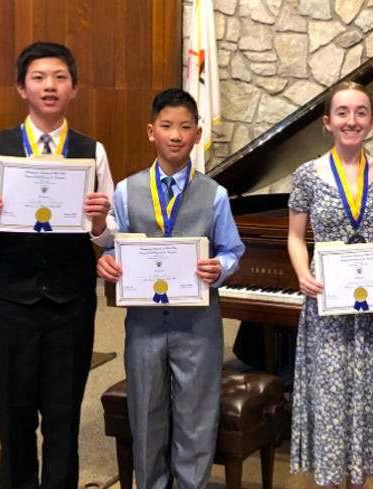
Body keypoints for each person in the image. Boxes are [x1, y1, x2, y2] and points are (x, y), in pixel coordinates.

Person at [0, 42, 116, 489]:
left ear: (75, 88)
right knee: (14, 414)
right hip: (8, 300)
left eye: (60, 77)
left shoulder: (92, 151)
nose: (50, 85)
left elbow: (108, 236)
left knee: (64, 415)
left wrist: (101, 221)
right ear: (21, 88)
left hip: (71, 301)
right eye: (39, 77)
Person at [97, 88, 245, 489]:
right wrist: (105, 261)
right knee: (145, 419)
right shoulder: (126, 191)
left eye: (184, 127)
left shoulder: (215, 195)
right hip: (143, 327)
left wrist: (221, 267)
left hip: (198, 327)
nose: (175, 135)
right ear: (151, 132)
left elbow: (233, 250)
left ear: (198, 134)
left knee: (196, 422)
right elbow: (113, 246)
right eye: (166, 126)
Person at [287, 81, 373, 489]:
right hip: (327, 306)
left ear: (372, 121)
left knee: (367, 398)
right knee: (331, 400)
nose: (352, 120)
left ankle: (358, 482)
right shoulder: (307, 174)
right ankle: (329, 481)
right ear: (327, 122)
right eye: (342, 112)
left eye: (361, 112)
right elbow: (295, 237)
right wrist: (302, 274)